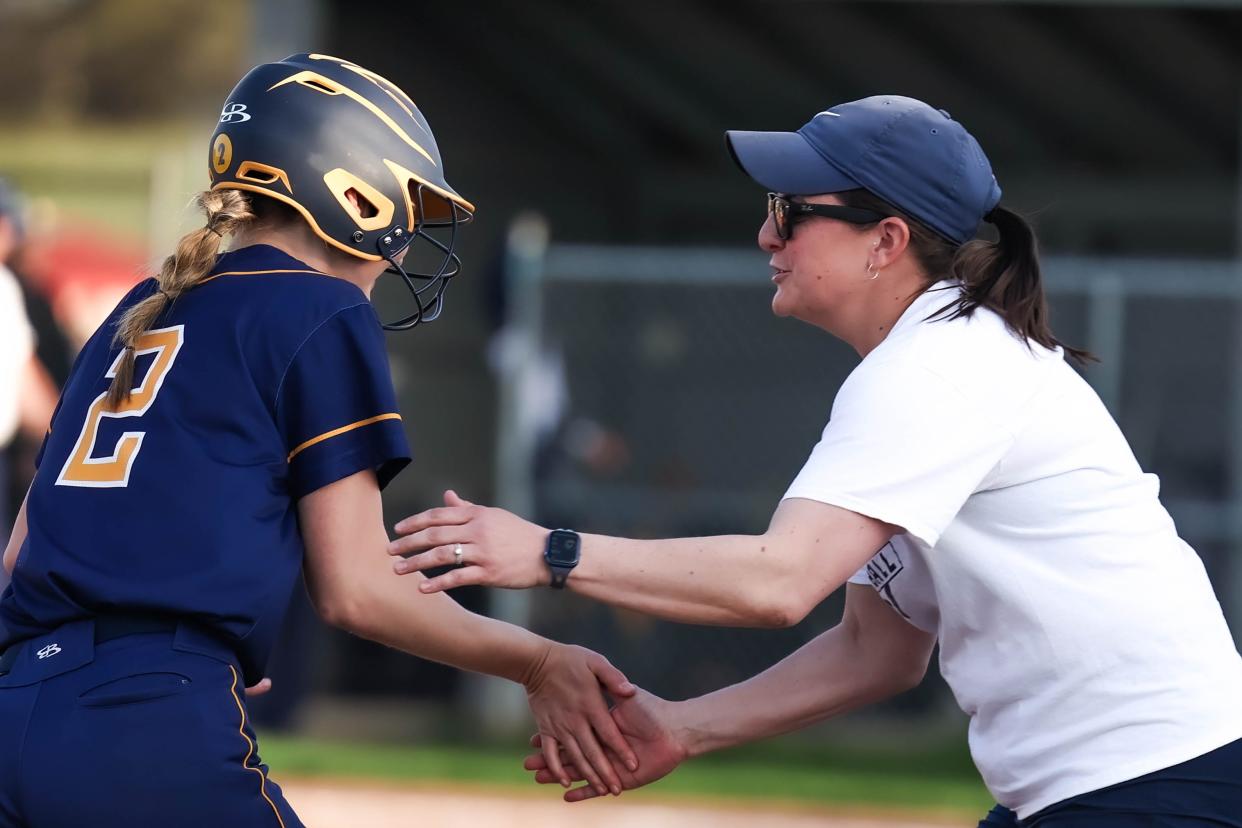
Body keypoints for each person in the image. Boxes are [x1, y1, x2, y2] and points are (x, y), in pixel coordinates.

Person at [388, 96, 1242, 826]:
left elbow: (778, 582)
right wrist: (682, 727)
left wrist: (549, 551)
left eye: (792, 209)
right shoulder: (933, 357)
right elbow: (878, 650)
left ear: (886, 240)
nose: (766, 232)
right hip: (1135, 780)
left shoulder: (937, 368)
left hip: (1156, 782)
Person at [0, 53, 639, 828]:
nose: (405, 246)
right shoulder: (319, 309)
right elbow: (358, 591)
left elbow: (21, 555)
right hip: (147, 719)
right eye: (407, 211)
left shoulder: (141, 303)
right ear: (354, 194)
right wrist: (538, 661)